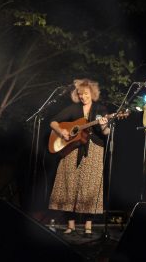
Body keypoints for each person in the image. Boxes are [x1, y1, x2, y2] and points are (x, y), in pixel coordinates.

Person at [48, 78, 110, 237]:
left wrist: (103, 124)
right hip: (71, 150)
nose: (83, 97)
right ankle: (71, 226)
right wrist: (61, 131)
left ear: (92, 93)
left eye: (86, 94)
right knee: (69, 184)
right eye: (81, 94)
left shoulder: (100, 108)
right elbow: (53, 122)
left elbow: (106, 133)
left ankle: (88, 227)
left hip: (94, 149)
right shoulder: (73, 108)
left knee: (90, 187)